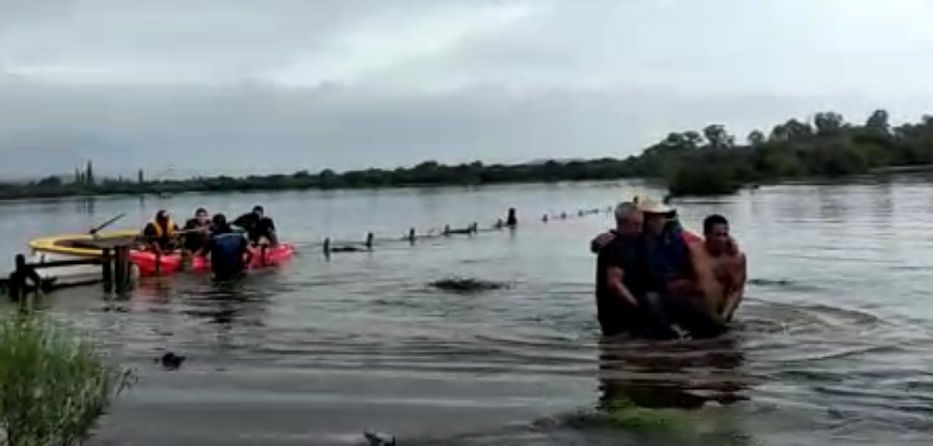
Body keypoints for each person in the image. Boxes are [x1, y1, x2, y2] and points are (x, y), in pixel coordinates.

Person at [595, 202, 679, 339]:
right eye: (636, 225)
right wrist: (640, 307)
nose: (639, 228)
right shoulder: (616, 245)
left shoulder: (640, 240)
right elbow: (614, 284)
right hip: (622, 315)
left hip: (638, 308)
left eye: (641, 224)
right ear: (623, 224)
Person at [694, 214, 747, 322]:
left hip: (722, 312)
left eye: (725, 235)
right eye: (717, 235)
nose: (722, 239)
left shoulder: (736, 258)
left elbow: (737, 291)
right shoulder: (693, 250)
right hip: (699, 310)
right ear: (706, 234)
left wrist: (723, 317)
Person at [208, 214, 252, 280]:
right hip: (238, 271)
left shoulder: (213, 238)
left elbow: (201, 254)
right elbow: (251, 253)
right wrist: (246, 265)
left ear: (214, 224)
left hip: (220, 273)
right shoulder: (239, 235)